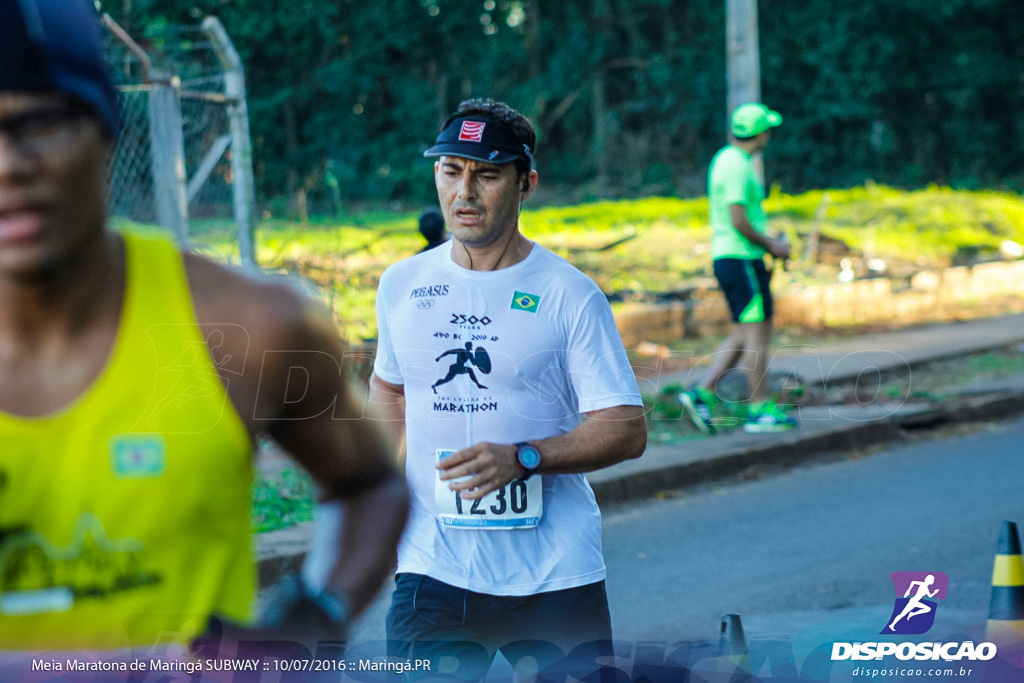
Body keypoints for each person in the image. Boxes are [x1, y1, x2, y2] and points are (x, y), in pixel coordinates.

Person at [0, 0, 407, 655]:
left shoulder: (248, 325)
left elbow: (372, 485)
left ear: (105, 125)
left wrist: (314, 618)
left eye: (39, 121)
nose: (7, 164)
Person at [369, 98, 647, 679]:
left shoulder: (570, 295)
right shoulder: (402, 285)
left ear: (526, 184)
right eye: (451, 171)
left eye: (487, 174)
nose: (464, 192)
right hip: (432, 567)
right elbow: (391, 390)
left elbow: (626, 428)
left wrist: (525, 457)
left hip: (553, 576)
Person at [680, 102, 797, 435]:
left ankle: (701, 394)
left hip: (733, 257)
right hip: (741, 259)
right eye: (768, 130)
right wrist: (772, 245)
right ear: (760, 134)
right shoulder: (739, 166)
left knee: (744, 335)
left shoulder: (725, 159)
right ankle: (759, 408)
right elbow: (738, 219)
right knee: (759, 336)